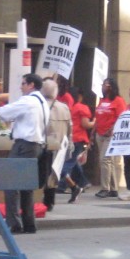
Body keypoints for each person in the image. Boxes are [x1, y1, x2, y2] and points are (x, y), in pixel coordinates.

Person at [0, 73, 47, 234]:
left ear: (31, 85)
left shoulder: (28, 101)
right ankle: (29, 223)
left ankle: (13, 223)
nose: (21, 86)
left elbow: (4, 112)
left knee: (10, 183)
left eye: (23, 83)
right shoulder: (42, 102)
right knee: (27, 187)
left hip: (24, 145)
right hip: (37, 145)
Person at [41, 78, 72, 211]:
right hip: (59, 146)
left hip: (43, 144)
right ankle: (50, 202)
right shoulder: (64, 107)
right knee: (54, 174)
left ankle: (40, 201)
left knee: (42, 173)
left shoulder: (40, 106)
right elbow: (70, 128)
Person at [93, 77, 126, 198]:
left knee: (105, 160)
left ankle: (105, 188)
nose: (102, 86)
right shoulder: (102, 100)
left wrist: (112, 129)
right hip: (99, 134)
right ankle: (114, 188)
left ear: (110, 86)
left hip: (110, 135)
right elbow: (98, 117)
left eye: (104, 84)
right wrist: (93, 132)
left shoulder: (118, 100)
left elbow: (121, 118)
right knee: (108, 161)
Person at [59, 86, 92, 203]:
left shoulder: (68, 107)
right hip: (77, 139)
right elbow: (86, 124)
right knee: (69, 164)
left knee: (69, 163)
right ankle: (79, 185)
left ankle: (77, 185)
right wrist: (96, 122)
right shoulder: (82, 107)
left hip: (69, 139)